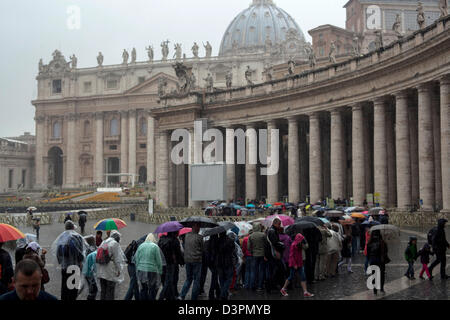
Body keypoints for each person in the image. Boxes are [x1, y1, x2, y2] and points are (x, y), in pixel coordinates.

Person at [53, 220, 86, 301]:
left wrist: (61, 261)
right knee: (73, 288)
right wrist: (81, 261)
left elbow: (57, 252)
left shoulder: (61, 237)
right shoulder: (77, 237)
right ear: (72, 227)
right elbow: (80, 251)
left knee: (64, 287)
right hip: (74, 266)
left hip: (64, 266)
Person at [280, 233, 314, 298]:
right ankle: (283, 289)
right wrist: (294, 264)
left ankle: (305, 292)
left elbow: (305, 248)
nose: (302, 240)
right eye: (301, 239)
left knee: (303, 277)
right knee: (291, 277)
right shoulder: (293, 245)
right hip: (294, 264)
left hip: (299, 263)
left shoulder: (299, 245)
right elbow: (291, 256)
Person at [96, 230, 126, 300]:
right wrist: (119, 270)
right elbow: (117, 259)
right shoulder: (114, 244)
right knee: (110, 291)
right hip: (110, 271)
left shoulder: (104, 242)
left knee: (103, 290)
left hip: (101, 270)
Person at [179, 222, 203, 300]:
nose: (199, 229)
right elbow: (202, 249)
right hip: (196, 260)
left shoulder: (186, 236)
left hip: (188, 260)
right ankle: (193, 297)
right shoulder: (199, 237)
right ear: (195, 227)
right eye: (198, 227)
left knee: (188, 279)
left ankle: (182, 295)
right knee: (196, 280)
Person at [134, 234, 163, 300]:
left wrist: (138, 268)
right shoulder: (155, 247)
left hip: (141, 269)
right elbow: (158, 260)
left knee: (143, 288)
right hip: (152, 270)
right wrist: (160, 271)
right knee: (152, 288)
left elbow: (137, 259)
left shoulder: (141, 246)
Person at [158, 231, 184, 300]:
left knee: (166, 280)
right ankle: (161, 297)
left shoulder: (161, 240)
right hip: (170, 263)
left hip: (162, 263)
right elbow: (178, 253)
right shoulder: (174, 240)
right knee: (169, 281)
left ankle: (171, 296)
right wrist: (182, 262)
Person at [265, 218, 285, 293]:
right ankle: (271, 287)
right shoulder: (272, 231)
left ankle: (271, 286)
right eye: (279, 224)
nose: (279, 226)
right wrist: (281, 247)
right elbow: (275, 243)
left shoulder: (270, 230)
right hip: (273, 254)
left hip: (270, 254)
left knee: (272, 271)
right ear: (275, 223)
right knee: (275, 271)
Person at [367, 230, 390, 295]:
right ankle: (381, 288)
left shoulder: (369, 242)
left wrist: (369, 260)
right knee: (382, 275)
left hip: (372, 260)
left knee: (374, 275)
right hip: (380, 261)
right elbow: (386, 252)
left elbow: (368, 254)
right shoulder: (382, 242)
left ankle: (375, 290)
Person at [217, 231, 236, 300]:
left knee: (221, 279)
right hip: (228, 262)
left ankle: (223, 293)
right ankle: (223, 293)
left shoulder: (217, 241)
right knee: (229, 278)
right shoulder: (230, 240)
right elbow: (233, 250)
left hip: (219, 262)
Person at [248, 224, 266, 292]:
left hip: (254, 255)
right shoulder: (263, 235)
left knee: (254, 271)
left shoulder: (251, 236)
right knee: (261, 270)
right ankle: (260, 286)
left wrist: (252, 252)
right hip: (262, 254)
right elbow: (266, 244)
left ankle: (253, 286)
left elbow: (248, 247)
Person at [205, 234, 220, 300]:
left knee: (214, 276)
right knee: (214, 277)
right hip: (215, 262)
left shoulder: (207, 242)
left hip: (209, 262)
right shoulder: (218, 242)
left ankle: (218, 291)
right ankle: (211, 294)